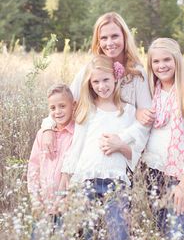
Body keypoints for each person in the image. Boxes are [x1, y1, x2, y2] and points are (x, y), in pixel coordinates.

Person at [58, 55, 149, 240]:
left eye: (106, 80)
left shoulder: (128, 111)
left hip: (116, 183)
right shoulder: (86, 109)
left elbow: (134, 151)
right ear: (90, 84)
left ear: (116, 77)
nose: (101, 86)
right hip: (86, 181)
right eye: (96, 82)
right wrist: (66, 178)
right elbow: (77, 146)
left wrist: (120, 145)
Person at [41, 12, 152, 158]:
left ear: (125, 37)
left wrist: (121, 143)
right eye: (103, 38)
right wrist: (48, 128)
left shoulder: (137, 73)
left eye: (115, 36)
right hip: (91, 151)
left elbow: (145, 120)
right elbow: (67, 102)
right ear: (98, 41)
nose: (109, 43)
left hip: (124, 152)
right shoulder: (92, 69)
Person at [137, 38, 184, 240]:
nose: (162, 66)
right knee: (163, 237)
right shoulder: (151, 92)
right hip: (153, 173)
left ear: (177, 60)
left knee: (176, 239)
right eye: (156, 62)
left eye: (167, 59)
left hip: (179, 176)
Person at [27, 84, 76, 240]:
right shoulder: (43, 134)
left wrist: (68, 202)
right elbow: (33, 167)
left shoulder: (78, 135)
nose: (57, 111)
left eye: (62, 106)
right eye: (52, 108)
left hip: (66, 208)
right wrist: (35, 199)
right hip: (42, 205)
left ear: (74, 105)